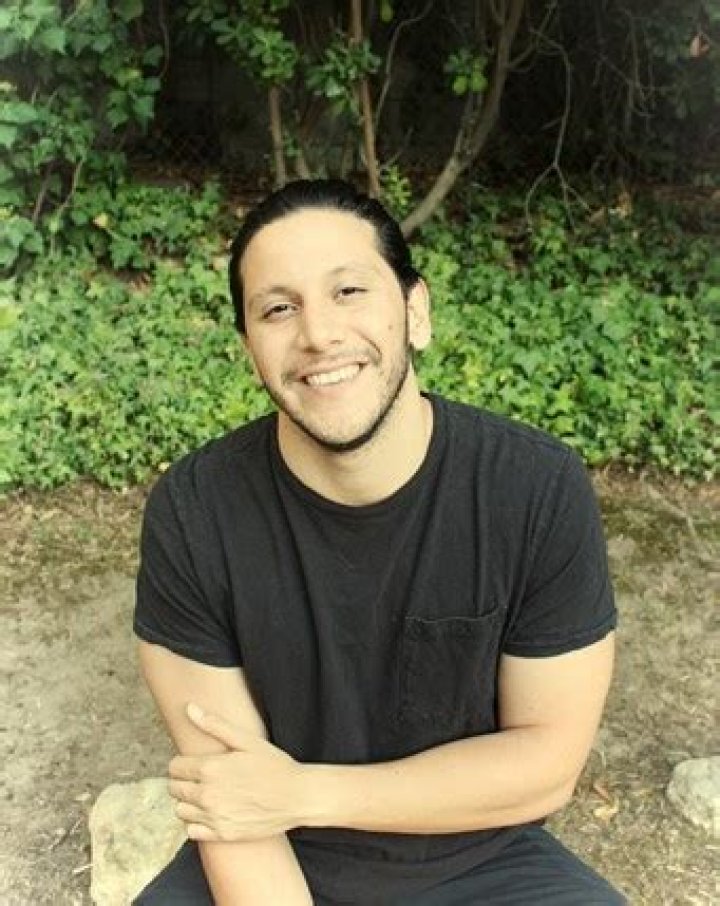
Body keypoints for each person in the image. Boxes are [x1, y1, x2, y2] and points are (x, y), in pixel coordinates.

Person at [133, 179, 624, 905]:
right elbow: (232, 803)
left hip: (477, 857)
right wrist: (283, 806)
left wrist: (306, 791)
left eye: (349, 291)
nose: (318, 334)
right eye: (278, 308)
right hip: (273, 848)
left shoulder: (533, 490)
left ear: (415, 311)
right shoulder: (194, 513)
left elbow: (546, 764)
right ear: (249, 347)